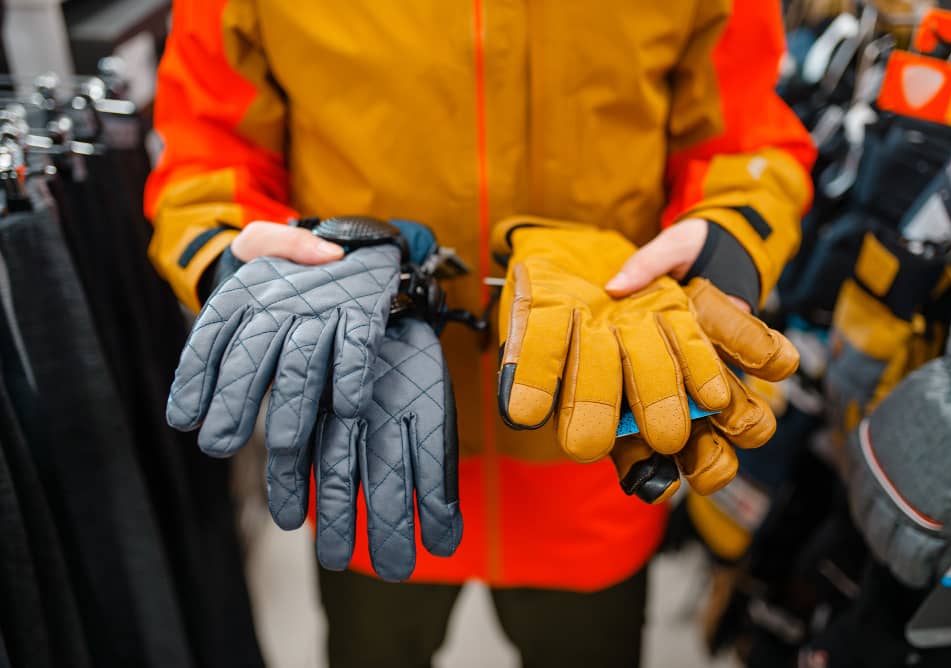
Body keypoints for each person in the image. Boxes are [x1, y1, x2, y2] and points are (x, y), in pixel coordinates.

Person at [145, 1, 815, 665]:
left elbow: (744, 137)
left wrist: (723, 236)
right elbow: (207, 153)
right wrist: (239, 262)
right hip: (367, 437)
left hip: (594, 435)